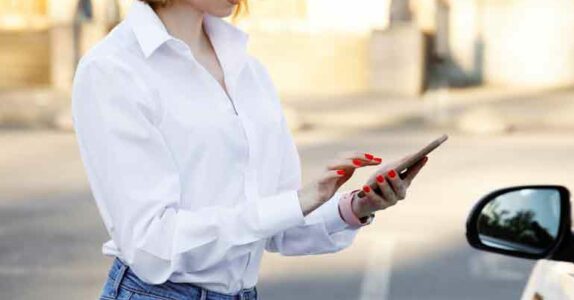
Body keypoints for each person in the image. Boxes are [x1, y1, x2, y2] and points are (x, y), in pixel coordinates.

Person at [70, 0, 429, 299]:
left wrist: (356, 204)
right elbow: (152, 244)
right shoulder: (112, 70)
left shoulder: (247, 69)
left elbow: (274, 223)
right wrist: (296, 201)